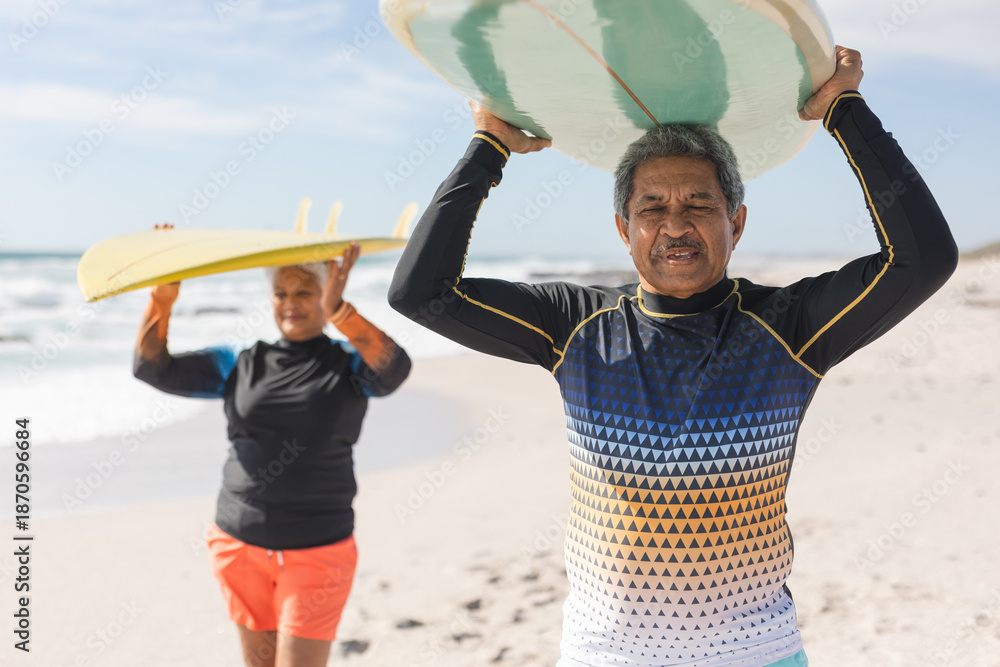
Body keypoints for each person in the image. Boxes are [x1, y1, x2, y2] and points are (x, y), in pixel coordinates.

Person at [388, 47, 957, 666]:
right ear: (623, 229)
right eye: (651, 208)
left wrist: (843, 110)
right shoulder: (574, 325)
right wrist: (487, 147)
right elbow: (422, 294)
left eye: (699, 206)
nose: (675, 225)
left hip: (754, 653)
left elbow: (922, 259)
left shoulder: (789, 328)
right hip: (604, 654)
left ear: (736, 224)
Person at [134, 242, 411, 667]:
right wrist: (162, 297)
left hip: (319, 550)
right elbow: (152, 368)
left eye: (304, 292)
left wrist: (342, 312)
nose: (291, 303)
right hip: (239, 545)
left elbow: (394, 370)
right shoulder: (240, 363)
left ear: (325, 293)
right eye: (281, 293)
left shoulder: (350, 366)